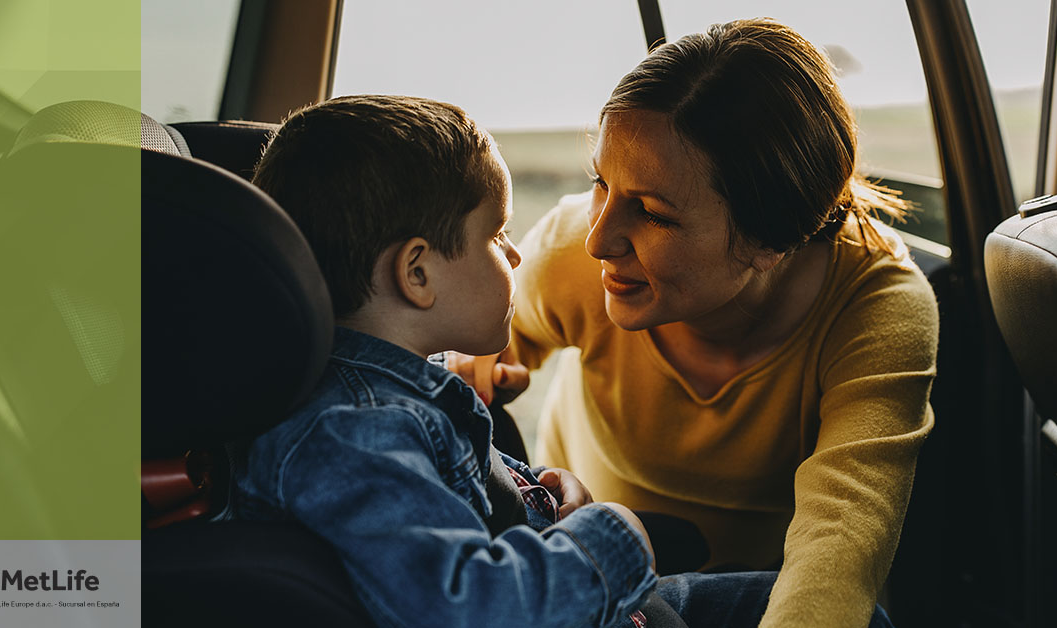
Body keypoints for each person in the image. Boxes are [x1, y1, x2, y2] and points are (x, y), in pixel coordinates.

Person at [228, 94, 796, 628]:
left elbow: (469, 497)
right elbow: (477, 608)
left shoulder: (401, 394)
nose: (516, 252)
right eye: (497, 235)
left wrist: (545, 494)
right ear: (417, 273)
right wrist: (612, 535)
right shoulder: (355, 436)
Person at [452, 18, 938, 628]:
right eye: (601, 182)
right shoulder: (569, 255)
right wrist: (470, 369)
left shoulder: (877, 309)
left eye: (652, 213)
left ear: (771, 241)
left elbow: (840, 547)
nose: (600, 239)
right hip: (597, 571)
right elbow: (449, 360)